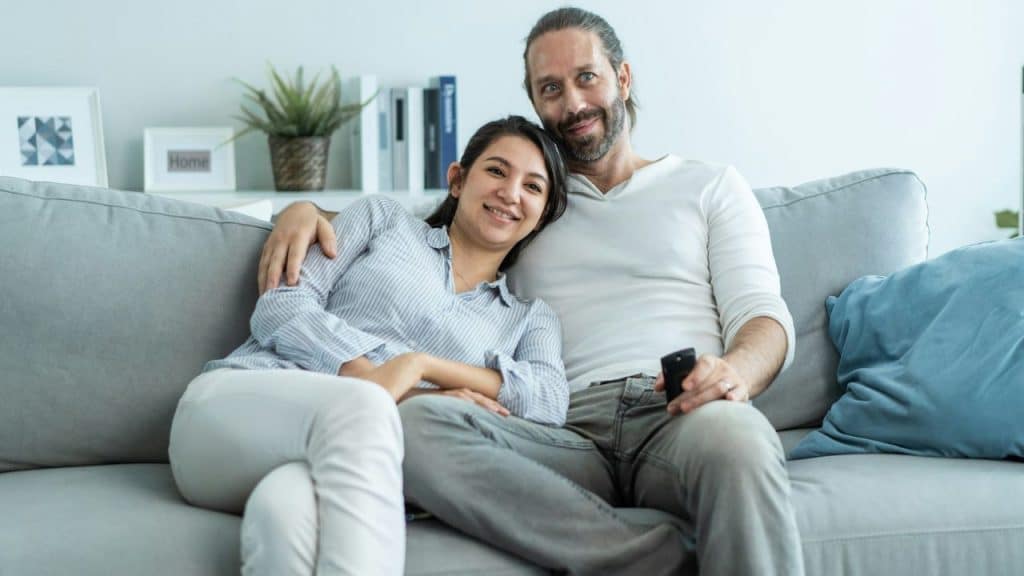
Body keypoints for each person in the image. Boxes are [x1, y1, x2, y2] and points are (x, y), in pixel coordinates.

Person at [262, 8, 804, 576]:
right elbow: (423, 230)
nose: (571, 102)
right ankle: (652, 563)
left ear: (622, 78)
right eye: (551, 88)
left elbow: (764, 319)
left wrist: (736, 373)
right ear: (536, 102)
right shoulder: (528, 202)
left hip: (678, 408)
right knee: (411, 424)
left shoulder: (709, 186)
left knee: (738, 440)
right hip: (559, 427)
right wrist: (303, 210)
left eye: (586, 77)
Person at [168, 115, 570, 576]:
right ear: (458, 180)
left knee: (284, 514)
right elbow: (281, 303)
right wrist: (365, 376)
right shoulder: (381, 220)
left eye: (533, 187)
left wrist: (419, 367)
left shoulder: (529, 318)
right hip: (232, 412)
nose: (511, 192)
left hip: (330, 458)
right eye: (497, 171)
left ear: (542, 215)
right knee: (366, 410)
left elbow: (549, 401)